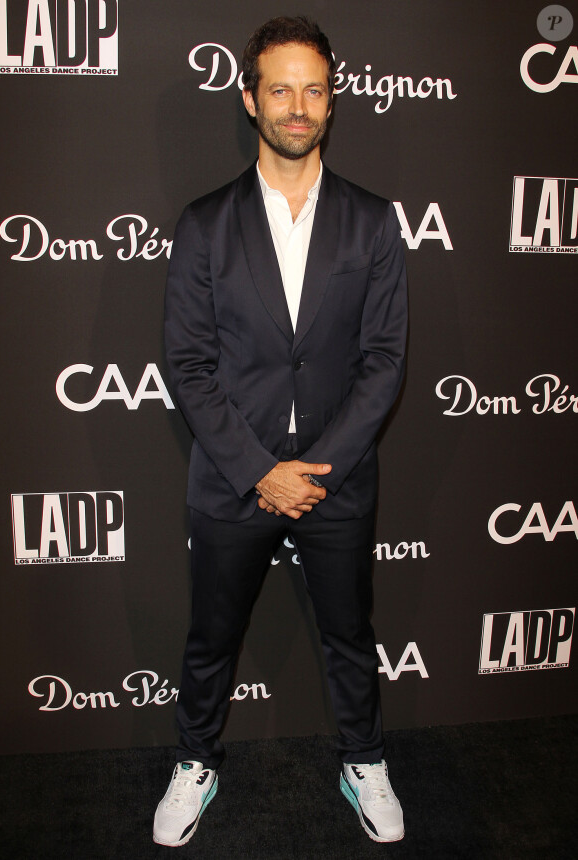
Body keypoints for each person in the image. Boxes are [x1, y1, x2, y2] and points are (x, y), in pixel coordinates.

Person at [153, 16, 408, 847]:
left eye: (314, 90)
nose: (298, 107)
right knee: (210, 638)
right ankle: (195, 761)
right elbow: (187, 365)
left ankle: (363, 759)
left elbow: (384, 360)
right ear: (250, 98)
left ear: (331, 102)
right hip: (233, 479)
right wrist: (262, 469)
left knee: (350, 635)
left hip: (338, 478)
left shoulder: (372, 221)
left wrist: (317, 468)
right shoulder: (203, 223)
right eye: (280, 89)